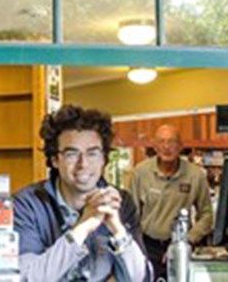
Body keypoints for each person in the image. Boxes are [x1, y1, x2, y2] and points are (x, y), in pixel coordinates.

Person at [13, 105, 150, 282]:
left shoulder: (121, 203)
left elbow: (139, 279)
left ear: (103, 159)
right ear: (55, 159)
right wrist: (83, 226)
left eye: (92, 153)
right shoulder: (27, 204)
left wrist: (118, 230)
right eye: (72, 154)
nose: (83, 164)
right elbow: (28, 278)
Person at [128, 124, 213, 281]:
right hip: (148, 246)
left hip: (181, 246)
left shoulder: (195, 175)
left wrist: (187, 240)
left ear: (180, 146)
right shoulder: (140, 173)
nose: (166, 147)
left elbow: (207, 215)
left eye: (172, 142)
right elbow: (130, 215)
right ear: (155, 146)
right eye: (161, 142)